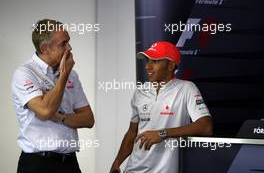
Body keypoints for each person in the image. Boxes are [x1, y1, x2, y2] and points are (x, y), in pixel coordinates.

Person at [110, 41, 213, 173]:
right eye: (147, 61)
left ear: (170, 65)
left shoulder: (186, 88)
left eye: (155, 61)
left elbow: (206, 127)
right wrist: (117, 162)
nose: (148, 67)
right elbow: (132, 133)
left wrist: (163, 133)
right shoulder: (140, 91)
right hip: (133, 169)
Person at [11, 19, 95, 173]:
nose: (69, 48)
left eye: (69, 42)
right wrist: (64, 74)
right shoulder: (25, 73)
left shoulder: (72, 76)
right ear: (44, 48)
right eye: (63, 44)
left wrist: (61, 117)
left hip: (70, 162)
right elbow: (45, 111)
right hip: (38, 164)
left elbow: (88, 119)